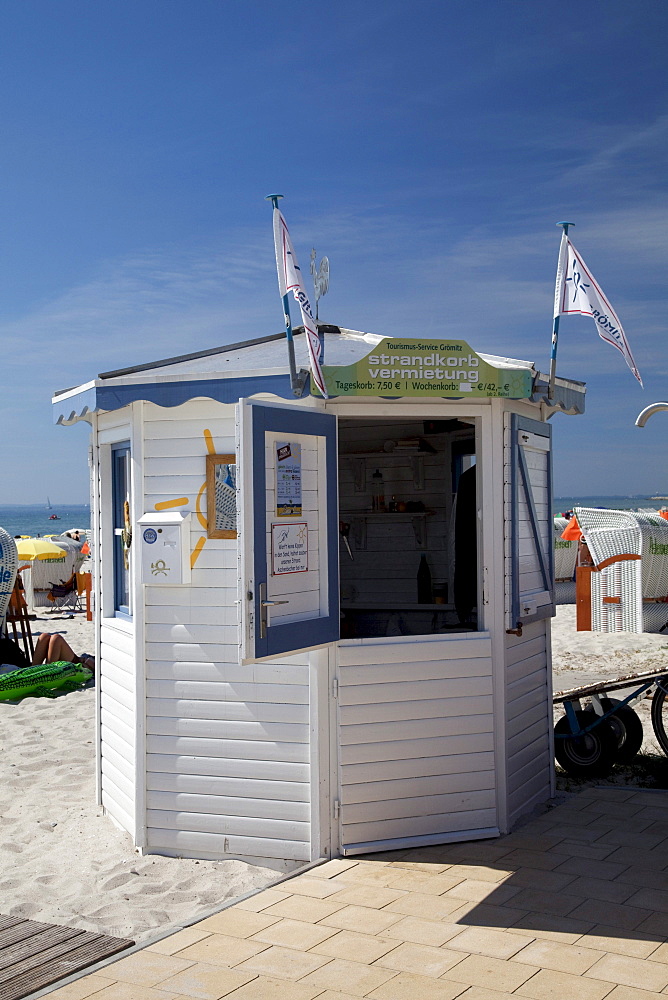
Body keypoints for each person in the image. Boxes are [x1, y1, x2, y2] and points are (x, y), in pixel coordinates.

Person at [0, 631, 94, 674]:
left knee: (56, 638)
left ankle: (47, 671)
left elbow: (93, 667)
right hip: (73, 659)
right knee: (44, 636)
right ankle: (33, 669)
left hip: (75, 663)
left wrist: (84, 660)